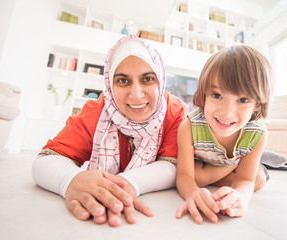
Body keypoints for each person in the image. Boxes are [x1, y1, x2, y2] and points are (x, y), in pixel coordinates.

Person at [32, 35, 188, 227]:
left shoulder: (175, 112)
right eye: (123, 80)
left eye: (148, 79)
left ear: (160, 80)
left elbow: (173, 167)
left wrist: (123, 184)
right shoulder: (96, 111)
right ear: (110, 84)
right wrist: (71, 180)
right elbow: (45, 161)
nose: (137, 94)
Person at [175, 45, 273, 224]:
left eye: (243, 100)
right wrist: (193, 193)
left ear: (257, 104)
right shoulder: (188, 126)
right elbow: (184, 176)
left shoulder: (257, 134)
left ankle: (245, 163)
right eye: (217, 95)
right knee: (197, 176)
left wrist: (239, 196)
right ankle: (235, 163)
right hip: (205, 164)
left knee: (258, 180)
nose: (227, 113)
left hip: (228, 163)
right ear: (204, 93)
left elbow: (245, 179)